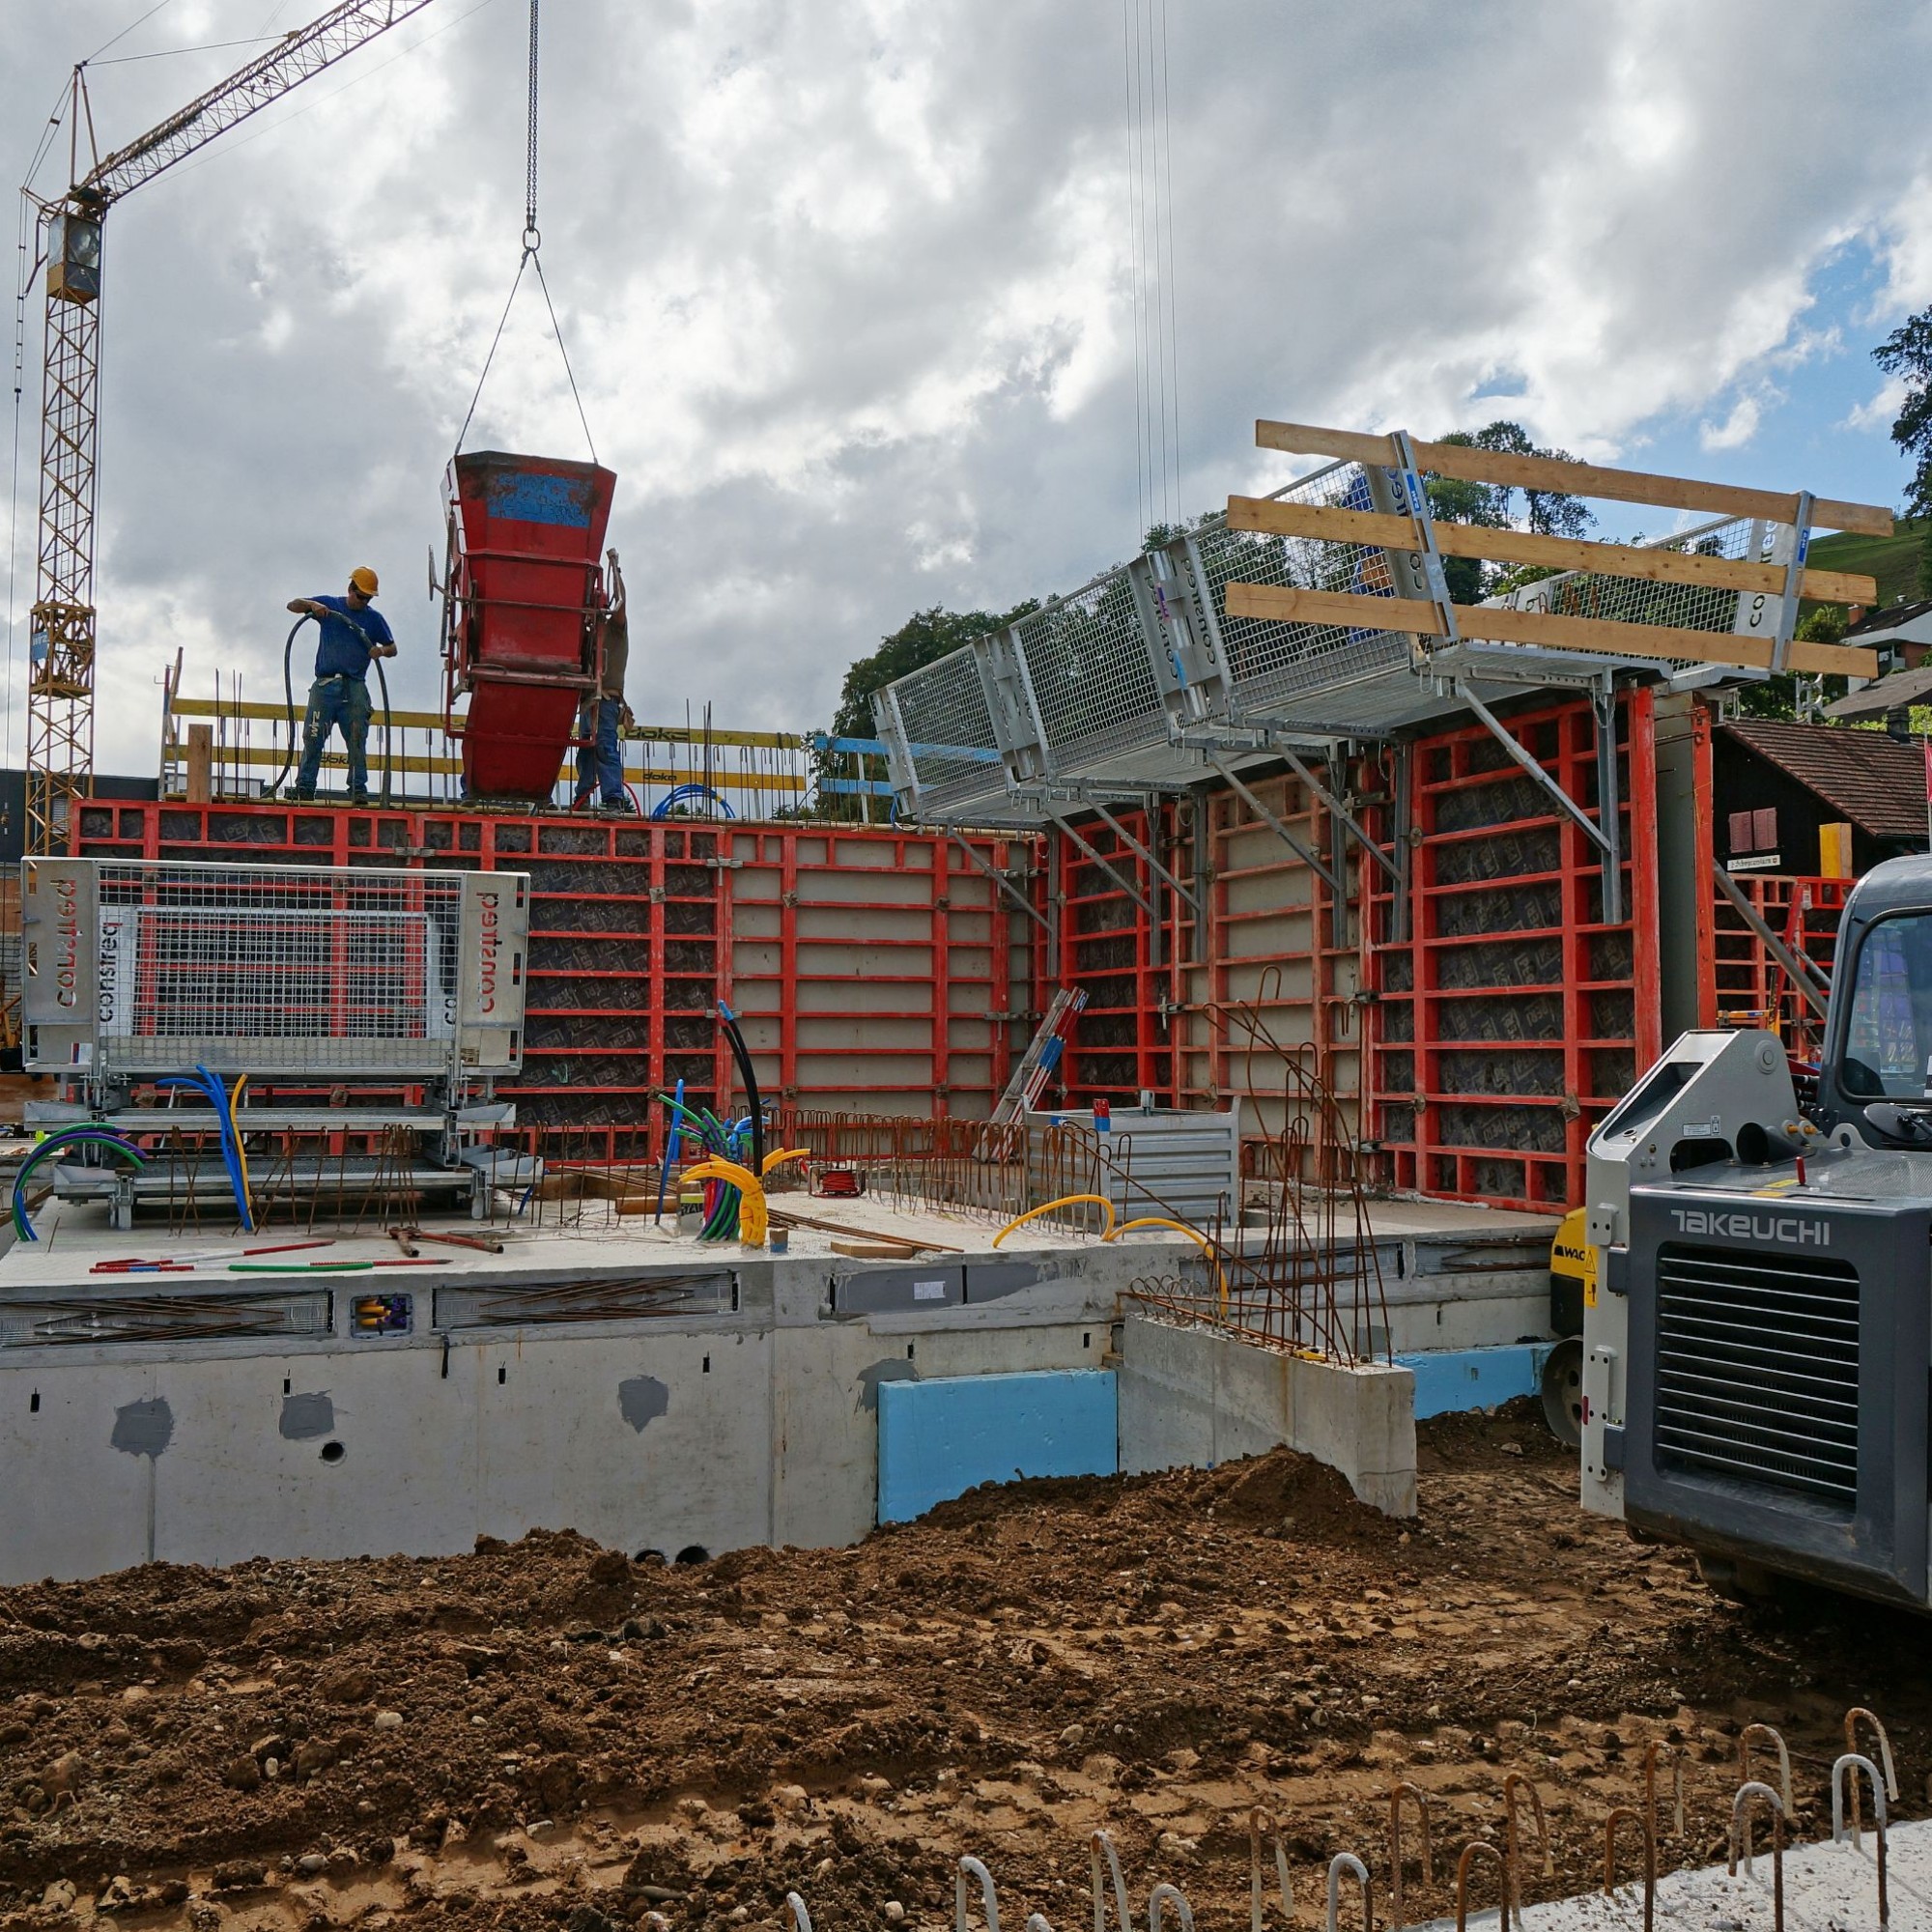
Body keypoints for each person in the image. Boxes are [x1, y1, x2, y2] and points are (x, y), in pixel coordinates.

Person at [287, 566, 397, 803]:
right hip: (325, 686)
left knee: (357, 739)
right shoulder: (330, 606)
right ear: (350, 589)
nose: (363, 601)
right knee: (313, 737)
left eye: (368, 598)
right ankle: (305, 788)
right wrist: (311, 605)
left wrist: (381, 650)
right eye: (360, 596)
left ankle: (358, 790)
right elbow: (292, 605)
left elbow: (392, 648)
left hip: (354, 687)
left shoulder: (373, 619)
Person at [574, 549, 634, 812]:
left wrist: (615, 568)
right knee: (586, 752)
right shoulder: (587, 637)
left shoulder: (615, 629)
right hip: (588, 702)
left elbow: (621, 604)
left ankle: (613, 799)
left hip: (607, 701)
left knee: (605, 747)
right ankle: (583, 798)